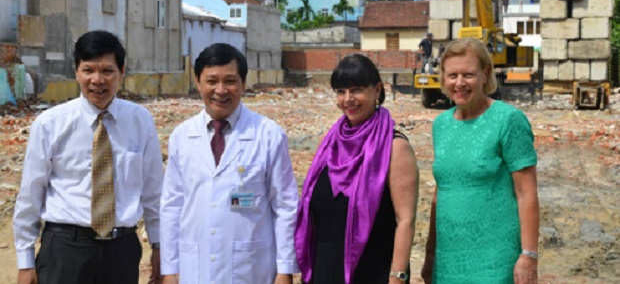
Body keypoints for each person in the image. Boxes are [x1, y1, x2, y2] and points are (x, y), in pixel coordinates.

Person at [13, 30, 164, 284]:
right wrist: (25, 261)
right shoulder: (50, 124)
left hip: (122, 251)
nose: (97, 80)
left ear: (121, 72)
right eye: (88, 70)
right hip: (65, 249)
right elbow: (30, 194)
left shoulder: (140, 121)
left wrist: (160, 247)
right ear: (76, 72)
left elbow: (153, 193)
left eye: (107, 71)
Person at [160, 43, 298, 284]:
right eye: (212, 81)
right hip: (195, 268)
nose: (220, 90)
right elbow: (172, 206)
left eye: (230, 81)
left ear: (243, 83)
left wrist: (285, 270)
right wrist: (170, 270)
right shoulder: (182, 137)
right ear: (198, 82)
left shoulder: (268, 135)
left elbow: (285, 206)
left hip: (251, 269)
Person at [421, 38, 539, 284]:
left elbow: (526, 193)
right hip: (448, 261)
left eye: (469, 74)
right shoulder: (441, 125)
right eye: (452, 75)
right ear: (443, 78)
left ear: (486, 74)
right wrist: (430, 254)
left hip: (494, 261)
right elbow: (440, 192)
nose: (460, 83)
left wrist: (528, 256)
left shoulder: (508, 121)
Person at [295, 54, 419, 284]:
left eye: (357, 90)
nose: (348, 99)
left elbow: (406, 220)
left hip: (372, 271)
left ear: (377, 90)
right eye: (341, 91)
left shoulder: (395, 147)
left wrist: (397, 276)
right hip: (325, 269)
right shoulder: (330, 145)